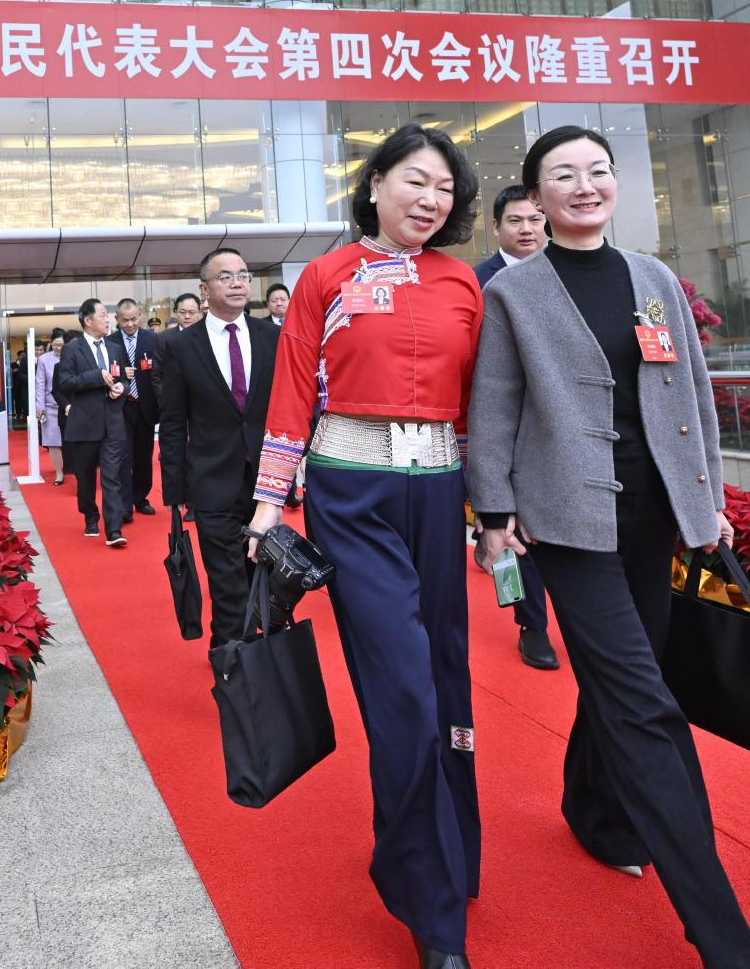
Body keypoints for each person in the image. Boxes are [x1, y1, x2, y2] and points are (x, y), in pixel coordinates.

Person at [467, 124, 750, 969]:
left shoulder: (652, 277)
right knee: (644, 702)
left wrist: (707, 498)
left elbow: (693, 390)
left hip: (654, 512)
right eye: (564, 174)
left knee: (625, 677)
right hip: (567, 520)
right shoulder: (515, 291)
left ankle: (593, 811)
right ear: (536, 195)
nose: (584, 185)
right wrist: (494, 511)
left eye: (598, 170)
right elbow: (493, 402)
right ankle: (721, 931)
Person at [251, 124, 483, 969]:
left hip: (442, 490)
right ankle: (431, 908)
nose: (431, 199)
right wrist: (268, 503)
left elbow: (481, 401)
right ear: (375, 182)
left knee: (448, 675)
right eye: (416, 180)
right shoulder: (326, 275)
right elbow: (290, 391)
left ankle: (452, 850)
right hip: (352, 494)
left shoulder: (464, 281)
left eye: (445, 188)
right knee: (402, 689)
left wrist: (494, 509)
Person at [160, 247, 279, 650]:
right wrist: (175, 490)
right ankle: (231, 664)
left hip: (264, 482)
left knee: (262, 576)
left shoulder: (272, 337)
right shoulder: (181, 346)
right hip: (211, 482)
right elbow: (173, 423)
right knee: (227, 584)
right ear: (204, 289)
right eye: (225, 276)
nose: (237, 283)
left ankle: (260, 656)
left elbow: (286, 408)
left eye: (243, 275)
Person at [470, 184, 558, 673]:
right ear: (496, 227)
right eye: (516, 221)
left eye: (535, 219)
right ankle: (532, 624)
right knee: (511, 524)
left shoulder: (563, 272)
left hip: (557, 424)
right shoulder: (476, 282)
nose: (527, 229)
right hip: (502, 422)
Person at [55, 298, 132, 546]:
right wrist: (96, 377)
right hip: (85, 424)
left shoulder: (116, 348)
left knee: (112, 477)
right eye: (103, 315)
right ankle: (90, 515)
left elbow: (124, 378)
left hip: (112, 422)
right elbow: (65, 383)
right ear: (88, 320)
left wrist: (121, 388)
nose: (108, 320)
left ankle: (114, 530)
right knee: (86, 476)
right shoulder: (72, 349)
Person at [112, 298, 165, 516]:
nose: (130, 324)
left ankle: (141, 498)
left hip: (145, 407)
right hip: (121, 407)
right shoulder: (110, 341)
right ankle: (124, 505)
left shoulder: (153, 339)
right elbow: (105, 370)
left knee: (144, 456)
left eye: (134, 319)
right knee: (123, 457)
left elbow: (160, 371)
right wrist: (120, 374)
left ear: (140, 316)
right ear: (117, 319)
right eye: (125, 320)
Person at [34, 329, 67, 484]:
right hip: (50, 405)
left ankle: (72, 467)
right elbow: (40, 384)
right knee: (53, 441)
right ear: (51, 344)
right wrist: (39, 407)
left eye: (61, 345)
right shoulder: (43, 360)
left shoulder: (72, 357)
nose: (58, 348)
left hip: (69, 406)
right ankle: (59, 473)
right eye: (55, 344)